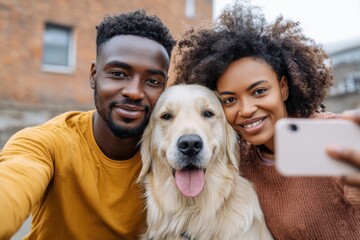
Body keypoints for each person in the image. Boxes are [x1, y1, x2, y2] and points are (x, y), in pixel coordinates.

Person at [173, 1, 360, 239]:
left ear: (283, 88)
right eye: (229, 100)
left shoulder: (330, 137)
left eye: (259, 91)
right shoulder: (239, 161)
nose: (247, 109)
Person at [0, 10, 175, 239]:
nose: (134, 92)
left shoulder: (171, 155)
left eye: (152, 81)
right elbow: (13, 182)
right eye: (119, 74)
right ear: (94, 75)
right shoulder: (47, 143)